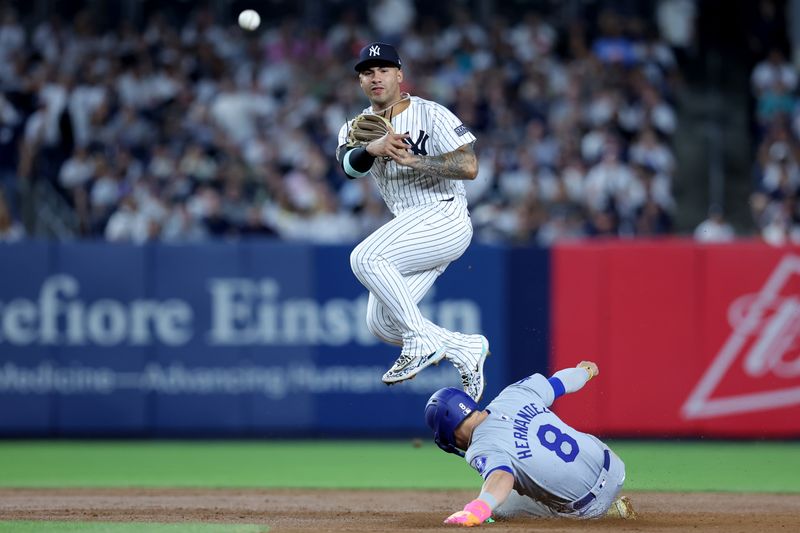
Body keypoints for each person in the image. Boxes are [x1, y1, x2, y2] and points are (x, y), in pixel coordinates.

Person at [336, 42, 489, 401]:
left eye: (384, 69)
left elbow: (469, 167)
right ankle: (465, 347)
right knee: (382, 323)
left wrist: (416, 161)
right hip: (413, 228)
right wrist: (372, 149)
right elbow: (347, 167)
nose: (376, 77)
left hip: (445, 215)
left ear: (400, 75)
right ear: (360, 81)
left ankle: (422, 343)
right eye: (368, 72)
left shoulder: (430, 114)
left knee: (365, 258)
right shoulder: (357, 127)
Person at [424, 360, 637, 526]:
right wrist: (584, 372)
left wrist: (479, 508)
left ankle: (605, 514)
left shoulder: (480, 447)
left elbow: (502, 476)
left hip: (588, 508)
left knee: (500, 507)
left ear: (447, 434)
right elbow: (559, 382)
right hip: (615, 467)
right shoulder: (513, 394)